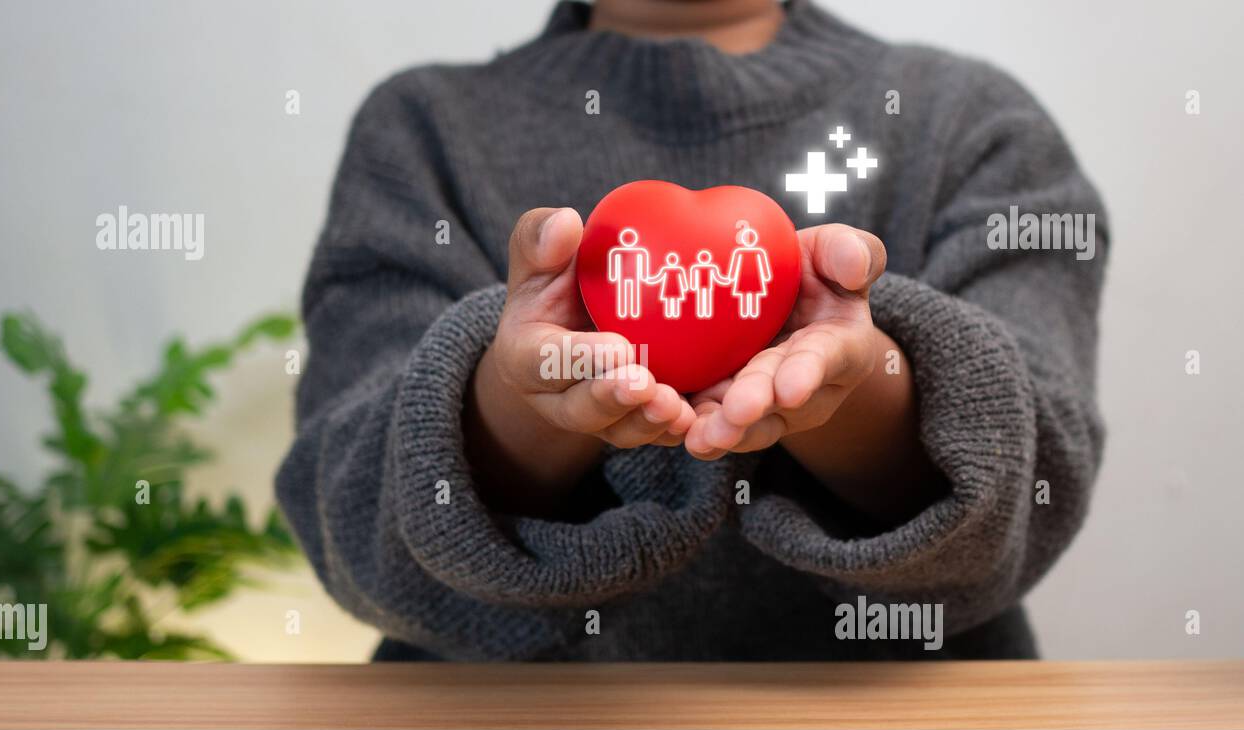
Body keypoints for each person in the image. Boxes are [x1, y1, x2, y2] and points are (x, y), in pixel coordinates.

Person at [276, 0, 1108, 661]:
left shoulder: (973, 123)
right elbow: (346, 519)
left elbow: (1041, 483)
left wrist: (853, 395)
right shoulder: (419, 131)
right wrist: (519, 406)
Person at [648, 251, 689, 318]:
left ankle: (674, 314)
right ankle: (670, 313)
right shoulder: (666, 269)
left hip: (675, 287)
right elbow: (659, 277)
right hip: (670, 287)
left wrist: (685, 287)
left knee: (674, 300)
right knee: (670, 300)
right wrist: (650, 280)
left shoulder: (679, 269)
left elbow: (683, 279)